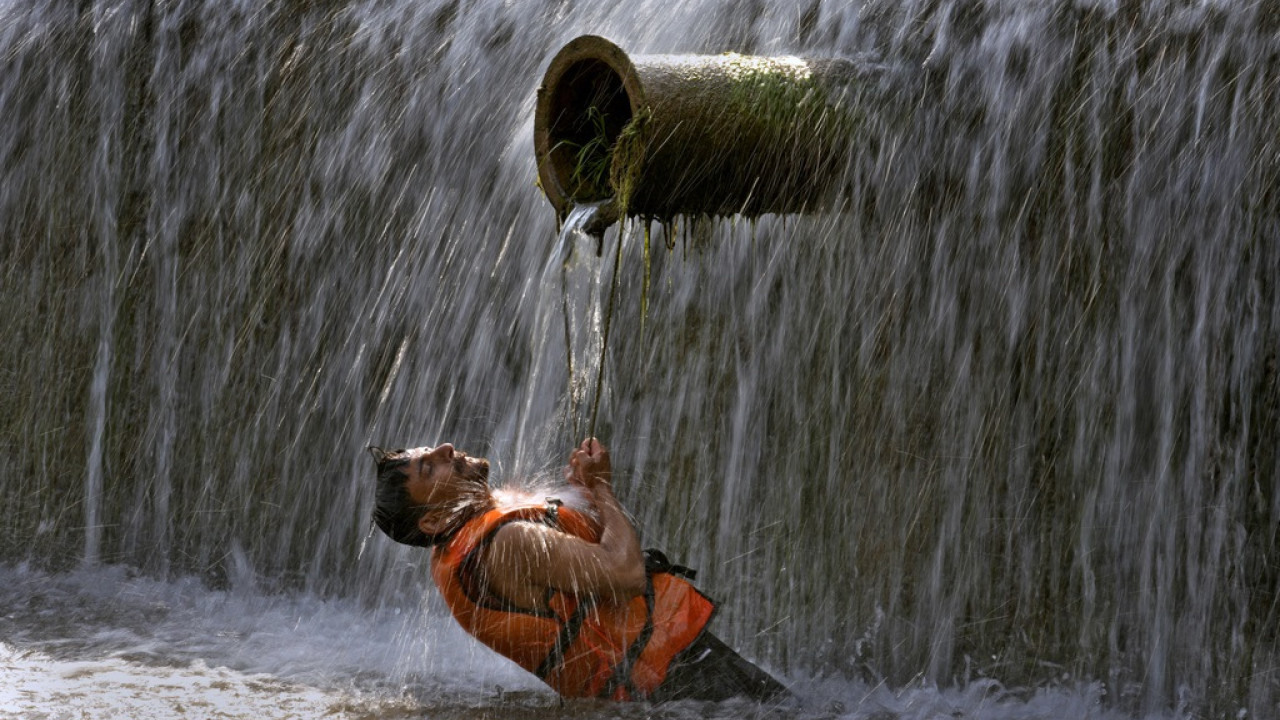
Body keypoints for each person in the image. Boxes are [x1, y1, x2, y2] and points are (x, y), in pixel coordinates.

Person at [369, 437, 791, 703]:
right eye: (430, 467)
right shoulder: (509, 542)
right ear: (433, 521)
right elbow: (626, 574)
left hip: (645, 691)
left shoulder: (464, 549)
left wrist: (583, 492)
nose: (445, 449)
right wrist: (602, 486)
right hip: (677, 682)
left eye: (432, 452)